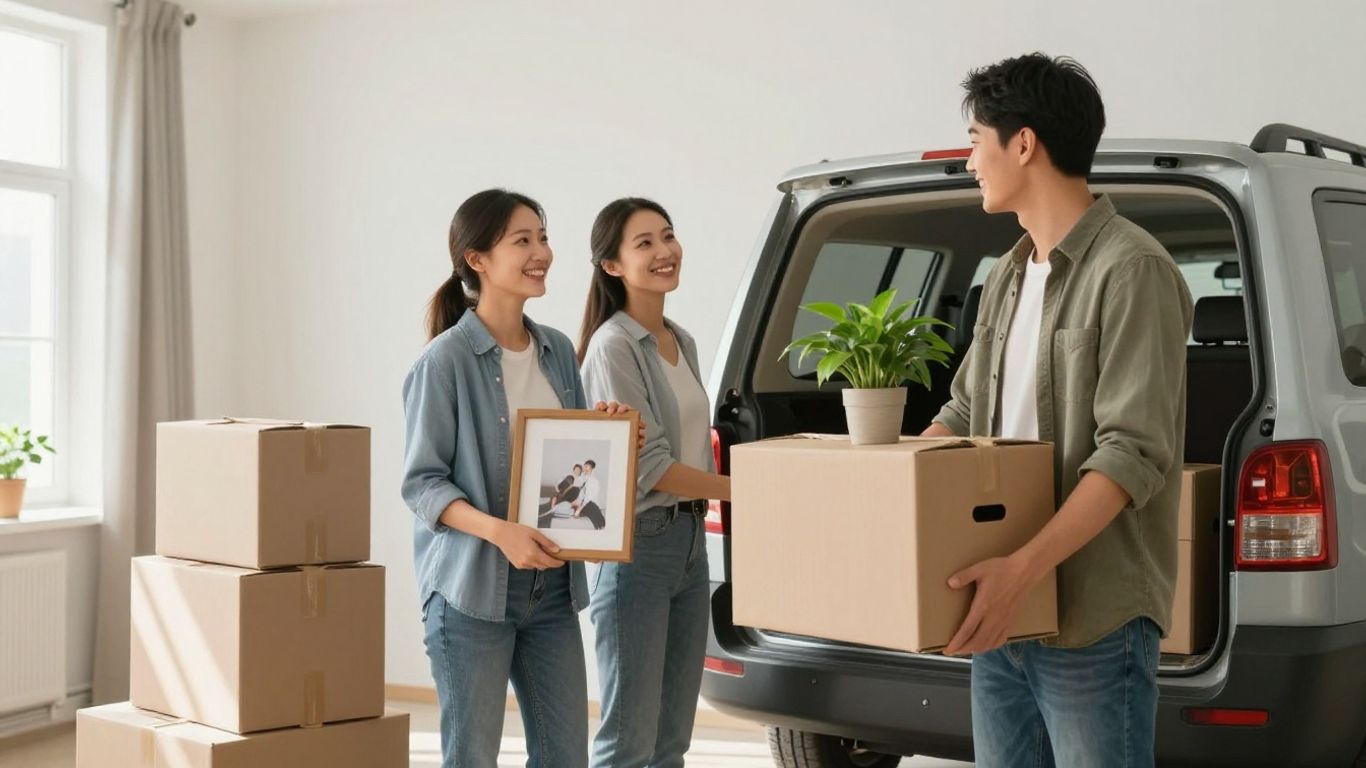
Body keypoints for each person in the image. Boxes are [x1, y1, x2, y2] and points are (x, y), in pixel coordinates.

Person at [924, 54, 1193, 767]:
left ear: (1024, 143)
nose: (970, 160)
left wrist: (1022, 570)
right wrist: (898, 485)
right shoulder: (1007, 275)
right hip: (998, 613)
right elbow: (962, 410)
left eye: (977, 139)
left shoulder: (1133, 270)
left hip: (1091, 620)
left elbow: (1131, 454)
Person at [400, 188, 631, 768]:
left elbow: (569, 460)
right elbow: (423, 485)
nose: (541, 252)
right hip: (471, 593)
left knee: (564, 758)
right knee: (472, 758)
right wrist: (501, 531)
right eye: (522, 240)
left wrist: (607, 433)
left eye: (544, 237)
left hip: (550, 591)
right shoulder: (444, 362)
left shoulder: (555, 349)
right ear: (477, 259)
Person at [578, 197, 733, 767]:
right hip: (640, 549)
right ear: (613, 266)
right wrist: (746, 493)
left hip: (691, 545)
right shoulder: (613, 346)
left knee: (672, 740)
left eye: (667, 236)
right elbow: (652, 468)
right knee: (628, 741)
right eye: (644, 243)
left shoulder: (680, 339)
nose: (665, 251)